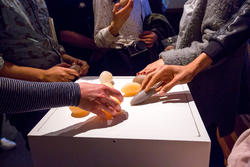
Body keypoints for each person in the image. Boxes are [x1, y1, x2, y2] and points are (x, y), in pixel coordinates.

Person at [141, 1, 250, 166]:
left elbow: (214, 42)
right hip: (196, 85)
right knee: (207, 140)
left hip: (209, 86)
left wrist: (169, 59)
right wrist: (173, 48)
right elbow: (192, 34)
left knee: (206, 143)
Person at [0, 0, 89, 147]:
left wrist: (65, 56)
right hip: (27, 95)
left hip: (58, 86)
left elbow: (45, 36)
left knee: (75, 146)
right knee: (47, 150)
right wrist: (44, 75)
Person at [92, 0, 174, 75]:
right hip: (120, 62)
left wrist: (154, 34)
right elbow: (99, 42)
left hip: (147, 56)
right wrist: (114, 27)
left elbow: (150, 20)